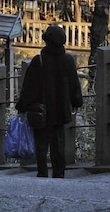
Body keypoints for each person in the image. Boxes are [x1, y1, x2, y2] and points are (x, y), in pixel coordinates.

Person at [15, 24, 83, 178]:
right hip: (60, 109)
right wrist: (77, 102)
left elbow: (29, 88)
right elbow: (74, 84)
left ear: (46, 41)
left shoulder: (38, 61)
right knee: (58, 142)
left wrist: (22, 106)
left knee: (41, 142)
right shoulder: (68, 61)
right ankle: (59, 172)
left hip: (41, 109)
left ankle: (42, 171)